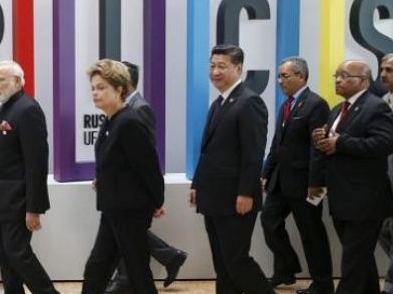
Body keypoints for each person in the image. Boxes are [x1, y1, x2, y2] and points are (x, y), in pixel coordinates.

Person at [189, 44, 275, 294]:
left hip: (236, 198)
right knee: (222, 264)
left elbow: (253, 152)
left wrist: (247, 192)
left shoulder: (250, 102)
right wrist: (197, 185)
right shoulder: (219, 103)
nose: (215, 71)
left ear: (239, 68)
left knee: (237, 260)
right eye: (212, 66)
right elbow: (210, 151)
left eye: (222, 66)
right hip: (214, 196)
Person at [82, 59, 165, 294]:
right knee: (97, 268)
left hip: (130, 210)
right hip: (113, 208)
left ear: (120, 89)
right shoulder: (110, 120)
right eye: (93, 87)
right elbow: (117, 164)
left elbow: (148, 167)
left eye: (102, 87)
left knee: (137, 272)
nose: (95, 93)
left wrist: (157, 201)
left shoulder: (129, 122)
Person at [104, 61, 187, 294]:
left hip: (133, 190)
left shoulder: (140, 109)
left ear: (124, 83)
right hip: (120, 189)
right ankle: (166, 258)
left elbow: (146, 155)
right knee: (122, 231)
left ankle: (128, 277)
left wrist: (152, 196)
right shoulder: (120, 109)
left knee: (124, 231)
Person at [312, 60, 393, 294]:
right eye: (336, 75)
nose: (338, 80)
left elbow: (384, 143)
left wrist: (341, 142)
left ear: (364, 81)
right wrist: (322, 138)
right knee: (361, 262)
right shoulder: (337, 110)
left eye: (345, 76)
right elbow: (335, 145)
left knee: (352, 264)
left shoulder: (376, 107)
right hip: (342, 198)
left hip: (366, 200)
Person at [0, 60, 59, 294]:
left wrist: (34, 208)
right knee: (7, 259)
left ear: (17, 81)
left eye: (0, 80)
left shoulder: (27, 109)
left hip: (18, 201)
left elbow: (36, 164)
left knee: (19, 254)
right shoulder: (5, 107)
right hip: (1, 201)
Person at [260, 57, 333, 294]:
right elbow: (277, 143)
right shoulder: (286, 105)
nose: (280, 81)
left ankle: (322, 283)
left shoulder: (316, 104)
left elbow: (318, 148)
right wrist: (266, 172)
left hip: (306, 184)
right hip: (280, 180)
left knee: (311, 233)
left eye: (285, 76)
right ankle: (286, 269)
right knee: (269, 222)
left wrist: (316, 183)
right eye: (280, 76)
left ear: (301, 76)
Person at [377, 53, 393, 294]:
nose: (383, 74)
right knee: (382, 230)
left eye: (389, 70)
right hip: (383, 181)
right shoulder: (383, 100)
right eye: (381, 69)